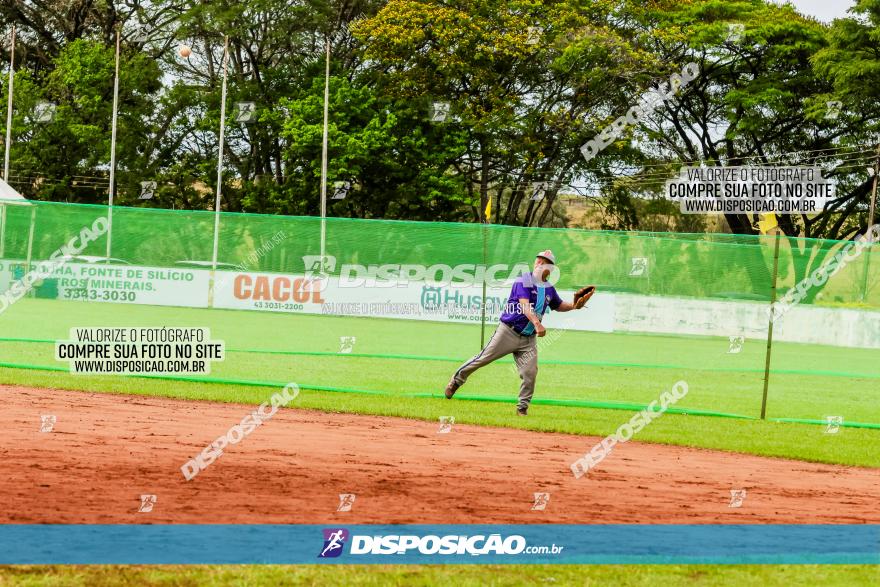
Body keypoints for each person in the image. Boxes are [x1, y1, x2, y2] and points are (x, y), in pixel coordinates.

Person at [444, 250, 594, 415]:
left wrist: (574, 305)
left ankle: (522, 409)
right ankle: (456, 381)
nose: (539, 263)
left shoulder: (549, 288)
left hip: (528, 340)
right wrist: (537, 324)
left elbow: (558, 305)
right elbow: (524, 305)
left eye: (544, 262)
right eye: (538, 260)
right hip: (508, 332)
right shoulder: (524, 280)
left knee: (530, 373)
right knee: (482, 359)